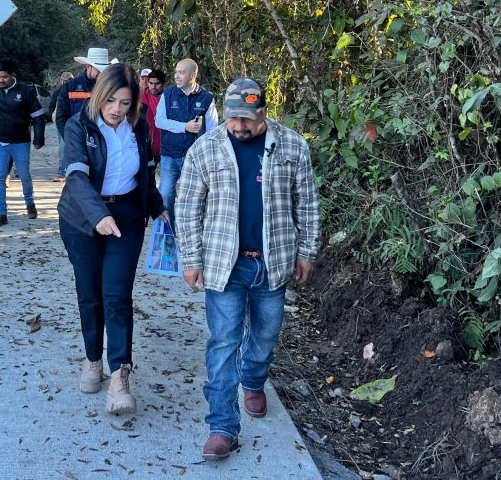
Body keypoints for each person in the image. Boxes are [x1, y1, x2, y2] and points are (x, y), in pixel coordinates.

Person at [175, 78, 320, 461]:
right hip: (225, 264)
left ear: (264, 114)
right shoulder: (205, 148)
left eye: (248, 120)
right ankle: (222, 425)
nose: (239, 127)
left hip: (274, 261)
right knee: (223, 342)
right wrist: (190, 259)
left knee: (267, 332)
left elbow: (306, 202)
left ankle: (254, 379)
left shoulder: (292, 146)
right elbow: (187, 206)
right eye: (233, 118)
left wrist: (307, 251)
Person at [57, 63, 168, 415]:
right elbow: (75, 177)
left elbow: (146, 173)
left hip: (126, 219)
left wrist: (157, 206)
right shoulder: (79, 127)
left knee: (117, 296)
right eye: (111, 101)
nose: (116, 109)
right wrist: (98, 216)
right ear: (99, 95)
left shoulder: (136, 127)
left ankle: (120, 375)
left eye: (124, 102)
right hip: (82, 220)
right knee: (90, 295)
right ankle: (93, 360)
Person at [0, 60, 45, 226]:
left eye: (4, 77)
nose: (1, 80)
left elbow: (38, 116)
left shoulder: (25, 90)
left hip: (20, 141)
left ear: (12, 74)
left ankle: (30, 204)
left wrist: (39, 138)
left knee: (24, 175)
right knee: (0, 178)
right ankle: (1, 213)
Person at [155, 58, 218, 218]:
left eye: (181, 72)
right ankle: (169, 235)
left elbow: (212, 130)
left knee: (192, 197)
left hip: (194, 158)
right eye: (176, 72)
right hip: (169, 154)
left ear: (193, 75)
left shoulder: (207, 98)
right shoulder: (168, 94)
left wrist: (208, 155)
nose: (176, 76)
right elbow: (159, 121)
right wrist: (184, 126)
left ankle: (188, 232)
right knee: (165, 194)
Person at [54, 47, 117, 145]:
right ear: (88, 67)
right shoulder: (70, 86)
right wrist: (70, 139)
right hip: (76, 139)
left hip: (102, 141)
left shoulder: (111, 87)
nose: (101, 73)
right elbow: (61, 118)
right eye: (99, 69)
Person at [49, 71, 75, 179]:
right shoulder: (58, 92)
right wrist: (52, 117)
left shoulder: (76, 91)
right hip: (62, 122)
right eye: (65, 80)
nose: (66, 82)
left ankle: (67, 169)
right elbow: (51, 106)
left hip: (73, 122)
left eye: (68, 80)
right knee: (63, 146)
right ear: (61, 80)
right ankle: (63, 170)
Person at [140, 69, 166, 171]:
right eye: (151, 83)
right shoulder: (143, 95)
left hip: (165, 147)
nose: (153, 87)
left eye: (157, 84)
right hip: (148, 146)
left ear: (164, 83)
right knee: (147, 178)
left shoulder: (169, 98)